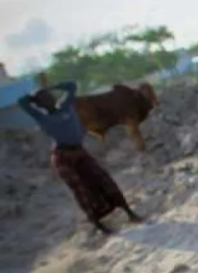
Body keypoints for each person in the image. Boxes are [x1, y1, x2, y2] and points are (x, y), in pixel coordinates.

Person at [18, 82, 143, 235]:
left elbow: (71, 86)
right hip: (63, 157)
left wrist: (49, 88)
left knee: (103, 179)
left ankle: (129, 212)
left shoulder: (65, 105)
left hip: (79, 151)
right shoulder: (41, 117)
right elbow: (21, 102)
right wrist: (32, 98)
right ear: (40, 104)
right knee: (82, 190)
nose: (49, 98)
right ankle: (98, 225)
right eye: (44, 98)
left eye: (49, 95)